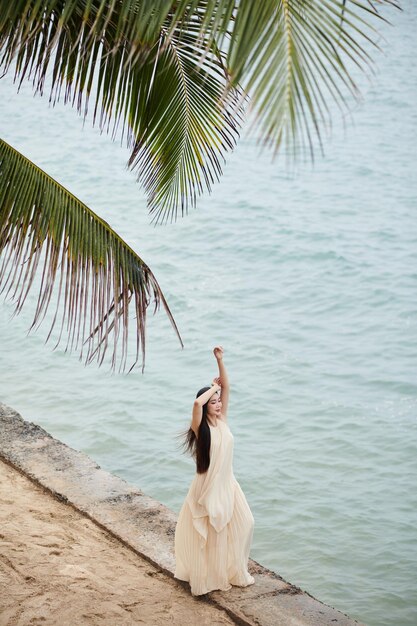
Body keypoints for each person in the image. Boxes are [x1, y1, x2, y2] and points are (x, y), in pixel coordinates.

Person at [174, 346, 255, 595]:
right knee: (211, 536)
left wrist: (220, 362)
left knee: (246, 523)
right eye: (215, 402)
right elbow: (197, 401)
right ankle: (210, 578)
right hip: (208, 486)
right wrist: (212, 388)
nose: (219, 404)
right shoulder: (201, 429)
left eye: (219, 401)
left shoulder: (223, 420)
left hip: (228, 484)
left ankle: (227, 571)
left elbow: (228, 387)